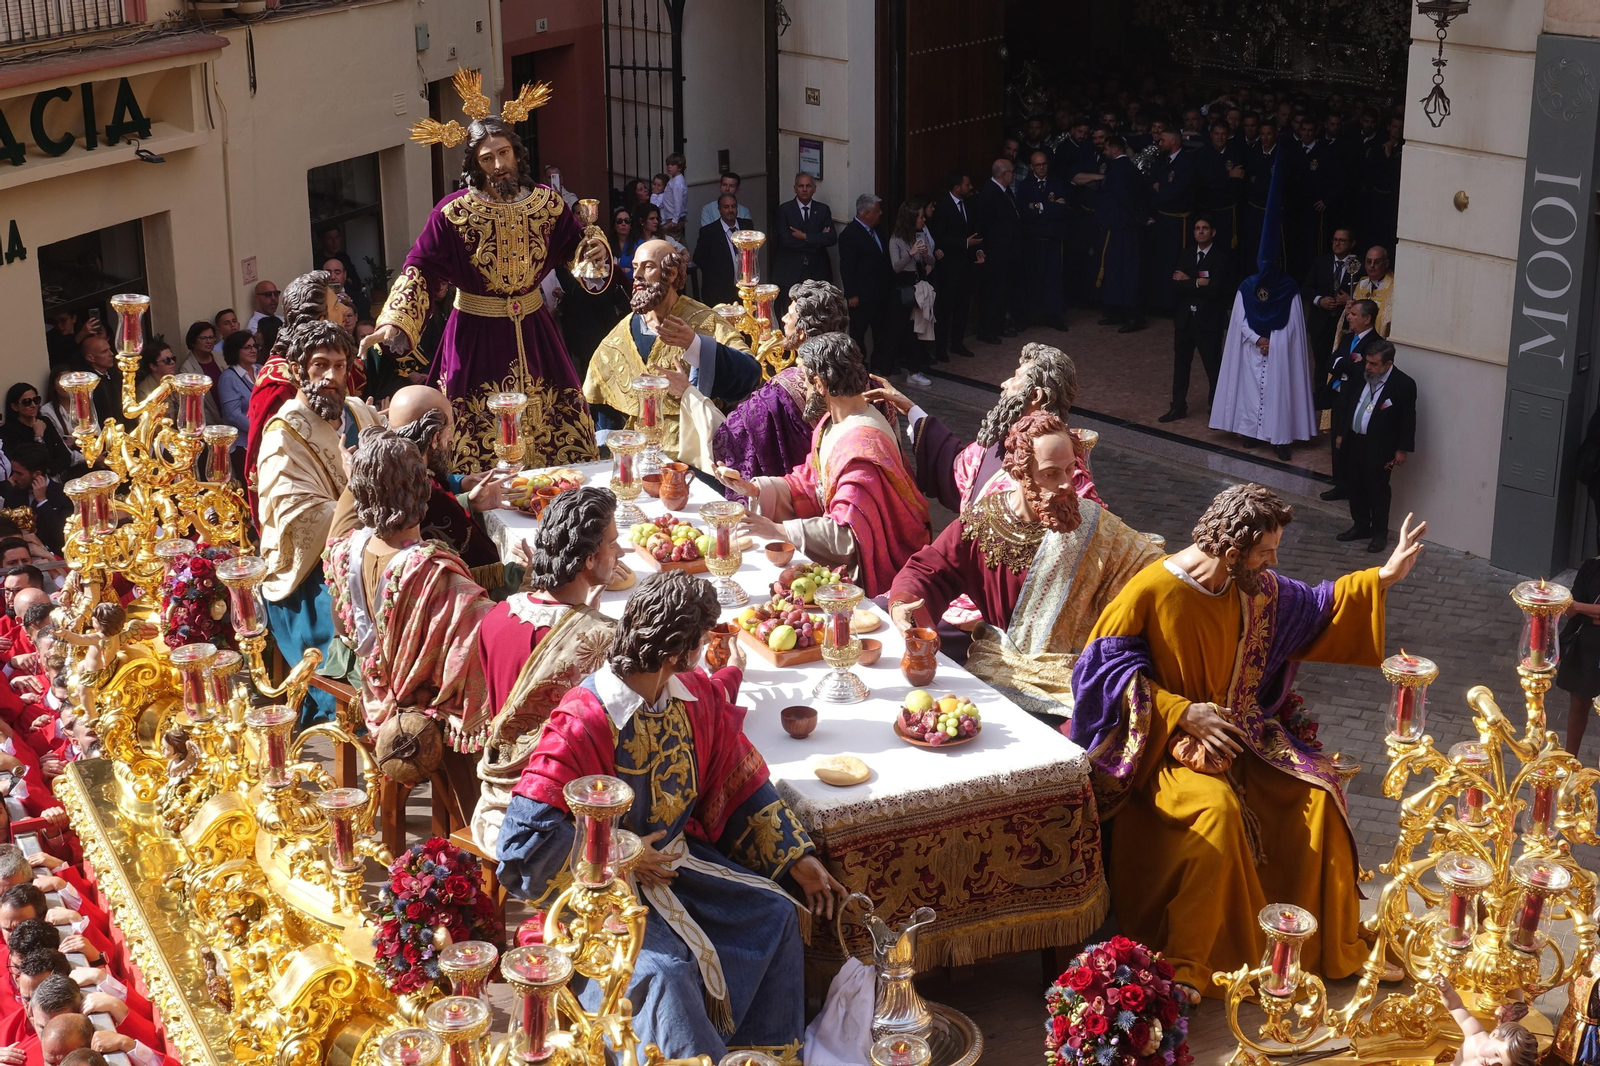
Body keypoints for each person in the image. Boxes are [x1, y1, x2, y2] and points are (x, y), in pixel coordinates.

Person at [1071, 483, 1427, 1002]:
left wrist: (1384, 576)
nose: (1273, 562)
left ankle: (1331, 947)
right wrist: (1180, 712)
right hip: (1169, 750)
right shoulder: (1151, 590)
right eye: (1265, 552)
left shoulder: (1253, 587)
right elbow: (1100, 675)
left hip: (1245, 741)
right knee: (1217, 813)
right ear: (1232, 552)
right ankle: (1192, 964)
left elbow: (1318, 604)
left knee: (1318, 798)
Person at [496, 570, 847, 1062]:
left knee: (775, 914)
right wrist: (619, 854)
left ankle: (758, 1056)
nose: (705, 649)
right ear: (675, 653)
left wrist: (795, 857)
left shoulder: (693, 696)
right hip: (602, 897)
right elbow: (521, 843)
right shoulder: (583, 721)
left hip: (680, 869)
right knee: (665, 973)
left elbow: (737, 779)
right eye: (701, 639)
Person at [369, 110, 605, 472]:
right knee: (468, 431)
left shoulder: (546, 204)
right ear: (475, 165)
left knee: (556, 426)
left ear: (516, 153)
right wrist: (395, 320)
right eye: (487, 158)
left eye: (504, 153)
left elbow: (575, 246)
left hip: (535, 331)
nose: (498, 165)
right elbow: (421, 269)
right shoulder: (453, 213)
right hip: (474, 335)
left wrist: (594, 249)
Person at [889, 412, 1159, 715]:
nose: (1066, 484)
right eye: (1050, 474)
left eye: (1070, 470)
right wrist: (904, 602)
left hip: (1073, 681)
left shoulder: (1095, 525)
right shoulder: (984, 522)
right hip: (999, 673)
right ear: (1019, 474)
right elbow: (930, 570)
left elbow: (1154, 570)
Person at [324, 426, 492, 828]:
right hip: (422, 704)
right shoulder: (433, 570)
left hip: (374, 688)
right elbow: (481, 641)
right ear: (421, 492)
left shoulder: (344, 550)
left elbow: (343, 626)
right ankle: (478, 828)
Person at [715, 332, 929, 596]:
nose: (803, 386)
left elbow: (849, 536)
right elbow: (811, 481)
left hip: (878, 571)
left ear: (819, 384)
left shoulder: (860, 448)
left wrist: (778, 529)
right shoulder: (832, 421)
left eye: (805, 379)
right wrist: (756, 489)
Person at [470, 487, 620, 854]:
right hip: (557, 813)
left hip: (496, 792)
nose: (619, 552)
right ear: (588, 559)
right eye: (613, 543)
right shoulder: (605, 640)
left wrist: (586, 615)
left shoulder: (497, 616)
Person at [255, 320, 381, 726]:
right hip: (314, 572)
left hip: (377, 545)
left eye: (339, 366)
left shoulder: (360, 411)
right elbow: (300, 518)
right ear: (298, 370)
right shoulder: (282, 435)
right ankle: (360, 715)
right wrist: (361, 495)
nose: (330, 377)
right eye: (320, 366)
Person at [584, 240, 759, 471]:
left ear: (672, 272)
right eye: (635, 267)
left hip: (693, 458)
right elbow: (601, 403)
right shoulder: (619, 337)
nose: (637, 275)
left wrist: (696, 346)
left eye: (648, 267)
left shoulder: (705, 320)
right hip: (636, 461)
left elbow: (750, 373)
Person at [328, 386, 506, 589]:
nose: (451, 438)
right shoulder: (426, 490)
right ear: (435, 438)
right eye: (448, 430)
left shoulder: (384, 476)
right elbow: (484, 571)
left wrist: (466, 498)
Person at [1211, 151, 1316, 461]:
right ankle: (1251, 433)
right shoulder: (1247, 287)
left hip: (1279, 352)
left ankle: (1280, 438)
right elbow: (1239, 321)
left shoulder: (1288, 288)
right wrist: (1257, 339)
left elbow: (1293, 325)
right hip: (1253, 348)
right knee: (1250, 391)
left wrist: (1275, 342)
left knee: (1278, 393)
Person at [711, 281, 852, 485]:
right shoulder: (868, 382)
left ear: (802, 332)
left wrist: (693, 397)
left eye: (789, 315)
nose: (784, 319)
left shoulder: (776, 393)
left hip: (797, 494)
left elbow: (730, 435)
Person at [244, 270, 349, 528]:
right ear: (321, 320)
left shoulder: (326, 364)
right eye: (337, 307)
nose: (345, 311)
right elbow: (280, 458)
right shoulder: (280, 383)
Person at [1333, 340, 1415, 553]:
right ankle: (1360, 525)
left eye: (1374, 364)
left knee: (1377, 490)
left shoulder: (1403, 384)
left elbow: (1408, 419)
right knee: (1355, 484)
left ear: (1388, 364)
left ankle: (1379, 533)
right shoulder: (1361, 374)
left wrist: (1402, 449)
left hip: (1380, 445)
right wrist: (1341, 433)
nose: (1368, 367)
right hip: (1354, 439)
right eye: (1367, 362)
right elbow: (1347, 403)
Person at [1162, 216, 1234, 421]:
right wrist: (1200, 282)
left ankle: (1216, 409)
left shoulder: (1220, 257)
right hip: (1185, 320)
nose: (1201, 231)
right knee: (1181, 366)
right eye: (1197, 228)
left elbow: (1216, 289)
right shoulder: (1186, 254)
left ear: (1213, 232)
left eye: (1205, 228)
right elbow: (1175, 284)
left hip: (1208, 322)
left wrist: (1189, 280)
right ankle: (1178, 406)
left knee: (1213, 367)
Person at [1321, 300, 1383, 501]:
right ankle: (1339, 483)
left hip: (1356, 399)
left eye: (1354, 314)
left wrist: (1344, 363)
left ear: (1367, 318)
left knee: (1349, 441)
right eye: (1350, 313)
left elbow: (1361, 372)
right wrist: (1347, 363)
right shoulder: (1348, 339)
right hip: (1339, 396)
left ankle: (1351, 486)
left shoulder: (1375, 343)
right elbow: (1331, 362)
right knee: (1336, 440)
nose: (1349, 317)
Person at [838, 193, 898, 374]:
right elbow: (847, 266)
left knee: (883, 331)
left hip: (882, 292)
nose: (881, 214)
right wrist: (852, 294)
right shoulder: (850, 234)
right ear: (867, 213)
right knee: (858, 333)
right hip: (862, 296)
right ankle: (860, 369)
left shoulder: (879, 230)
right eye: (877, 211)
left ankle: (881, 364)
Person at [1095, 136, 1148, 333]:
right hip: (1120, 227)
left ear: (1115, 149)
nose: (1104, 152)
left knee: (1126, 272)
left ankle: (1133, 317)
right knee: (1117, 271)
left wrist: (1140, 217)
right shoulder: (1127, 167)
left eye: (1106, 148)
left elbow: (1125, 198)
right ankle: (1117, 311)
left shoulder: (1119, 168)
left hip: (1123, 229)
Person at [926, 170, 979, 358]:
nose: (970, 187)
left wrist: (977, 250)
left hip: (966, 265)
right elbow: (939, 237)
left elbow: (973, 231)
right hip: (948, 267)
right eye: (967, 184)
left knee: (963, 306)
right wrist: (964, 243)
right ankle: (940, 348)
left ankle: (958, 343)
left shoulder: (969, 204)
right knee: (945, 308)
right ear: (957, 188)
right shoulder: (942, 206)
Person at [1433, 975, 1537, 1066]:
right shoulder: (1474, 1035)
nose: (1492, 1063)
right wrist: (1446, 991)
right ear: (1494, 1034)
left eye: (1499, 1065)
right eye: (1496, 1054)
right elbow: (1456, 1007)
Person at [771, 172, 837, 315]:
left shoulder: (822, 209)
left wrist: (804, 236)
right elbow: (786, 240)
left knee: (818, 314)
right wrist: (817, 239)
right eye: (801, 186)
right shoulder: (784, 210)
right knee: (791, 314)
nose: (805, 189)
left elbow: (831, 238)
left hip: (817, 270)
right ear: (795, 188)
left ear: (814, 188)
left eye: (808, 186)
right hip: (791, 271)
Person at [1145, 128, 1196, 313]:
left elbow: (1173, 193)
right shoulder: (1160, 161)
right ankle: (1158, 303)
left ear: (1173, 142)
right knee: (1159, 261)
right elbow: (1151, 184)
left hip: (1177, 224)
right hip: (1161, 220)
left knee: (1174, 262)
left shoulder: (1186, 163)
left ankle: (1173, 304)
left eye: (1162, 140)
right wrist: (1158, 189)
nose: (1159, 143)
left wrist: (1161, 189)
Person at [974, 159, 1024, 343]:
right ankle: (987, 331)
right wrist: (981, 249)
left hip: (1007, 252)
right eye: (1011, 172)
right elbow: (983, 225)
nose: (1014, 175)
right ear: (1003, 174)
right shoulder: (989, 193)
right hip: (995, 253)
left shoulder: (1005, 190)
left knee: (1003, 292)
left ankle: (999, 325)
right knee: (993, 293)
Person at [888, 198, 936, 387]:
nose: (924, 220)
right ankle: (887, 368)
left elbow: (932, 262)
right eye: (920, 217)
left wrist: (925, 255)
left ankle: (914, 370)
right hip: (903, 288)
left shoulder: (920, 235)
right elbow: (896, 267)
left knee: (918, 330)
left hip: (919, 285)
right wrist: (910, 253)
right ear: (910, 219)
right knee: (899, 330)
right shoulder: (896, 240)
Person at [1019, 150, 1069, 333]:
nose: (1041, 168)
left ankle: (1054, 317)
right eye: (1038, 165)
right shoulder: (1025, 186)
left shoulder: (1057, 183)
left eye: (1044, 164)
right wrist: (1050, 208)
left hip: (1052, 240)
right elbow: (1025, 214)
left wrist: (1039, 207)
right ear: (1031, 167)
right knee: (1031, 278)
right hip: (1032, 241)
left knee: (1053, 279)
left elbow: (1062, 211)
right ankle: (1028, 316)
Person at [1300, 228, 1360, 379]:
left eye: (1342, 240)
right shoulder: (1321, 262)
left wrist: (1350, 299)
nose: (1337, 243)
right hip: (1320, 324)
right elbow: (1306, 288)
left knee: (1343, 365)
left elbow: (1366, 293)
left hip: (1345, 326)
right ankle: (1320, 395)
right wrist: (1320, 300)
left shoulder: (1358, 265)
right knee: (1321, 367)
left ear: (1352, 243)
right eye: (1335, 240)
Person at [1559, 553, 1600, 754]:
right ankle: (1570, 761)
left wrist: (1581, 609)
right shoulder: (1590, 567)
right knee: (1578, 707)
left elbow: (1576, 607)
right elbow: (1569, 609)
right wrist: (1590, 613)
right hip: (1585, 648)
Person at [0, 447, 70, 555]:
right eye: (13, 472)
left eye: (19, 473)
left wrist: (42, 501)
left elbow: (62, 535)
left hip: (54, 557)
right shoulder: (13, 494)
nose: (13, 478)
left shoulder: (64, 495)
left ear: (37, 474)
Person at [1195, 121, 1244, 255]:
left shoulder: (1236, 153)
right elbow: (1202, 180)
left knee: (1225, 249)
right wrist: (1227, 174)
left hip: (1227, 212)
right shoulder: (1202, 154)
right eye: (1217, 133)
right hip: (1206, 210)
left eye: (1223, 134)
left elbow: (1237, 181)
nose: (1220, 137)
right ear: (1211, 134)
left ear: (1228, 135)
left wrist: (1216, 179)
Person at [1, 387, 71, 480]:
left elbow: (65, 455)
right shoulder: (8, 431)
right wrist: (38, 436)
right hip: (31, 482)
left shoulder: (44, 421)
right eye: (27, 402)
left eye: (36, 400)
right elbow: (30, 464)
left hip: (56, 476)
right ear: (15, 407)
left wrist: (51, 470)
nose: (33, 405)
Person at [1240, 120, 1280, 269]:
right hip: (1254, 209)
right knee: (1253, 246)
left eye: (1269, 134)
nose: (1265, 137)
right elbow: (1246, 179)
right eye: (1262, 134)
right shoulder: (1253, 152)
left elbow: (1276, 184)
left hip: (1272, 212)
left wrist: (1257, 181)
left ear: (1275, 134)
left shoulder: (1280, 155)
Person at [692, 194, 743, 307]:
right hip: (719, 292)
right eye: (726, 207)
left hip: (743, 290)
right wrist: (715, 274)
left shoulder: (746, 225)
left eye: (733, 206)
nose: (730, 210)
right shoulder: (709, 232)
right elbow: (698, 258)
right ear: (719, 209)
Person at [216, 331, 259, 463]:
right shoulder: (228, 378)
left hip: (265, 439)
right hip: (243, 445)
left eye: (254, 346)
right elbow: (233, 415)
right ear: (235, 351)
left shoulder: (261, 370)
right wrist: (258, 429)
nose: (253, 350)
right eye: (247, 347)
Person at [132, 338, 176, 404]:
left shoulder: (177, 381)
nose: (172, 362)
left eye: (173, 358)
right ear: (153, 366)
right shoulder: (144, 391)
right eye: (167, 360)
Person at [659, 152, 688, 239]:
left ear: (680, 167)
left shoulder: (677, 183)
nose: (669, 167)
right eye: (668, 164)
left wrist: (675, 219)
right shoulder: (674, 180)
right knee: (677, 239)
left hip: (674, 218)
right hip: (672, 216)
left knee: (673, 239)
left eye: (672, 165)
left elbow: (678, 202)